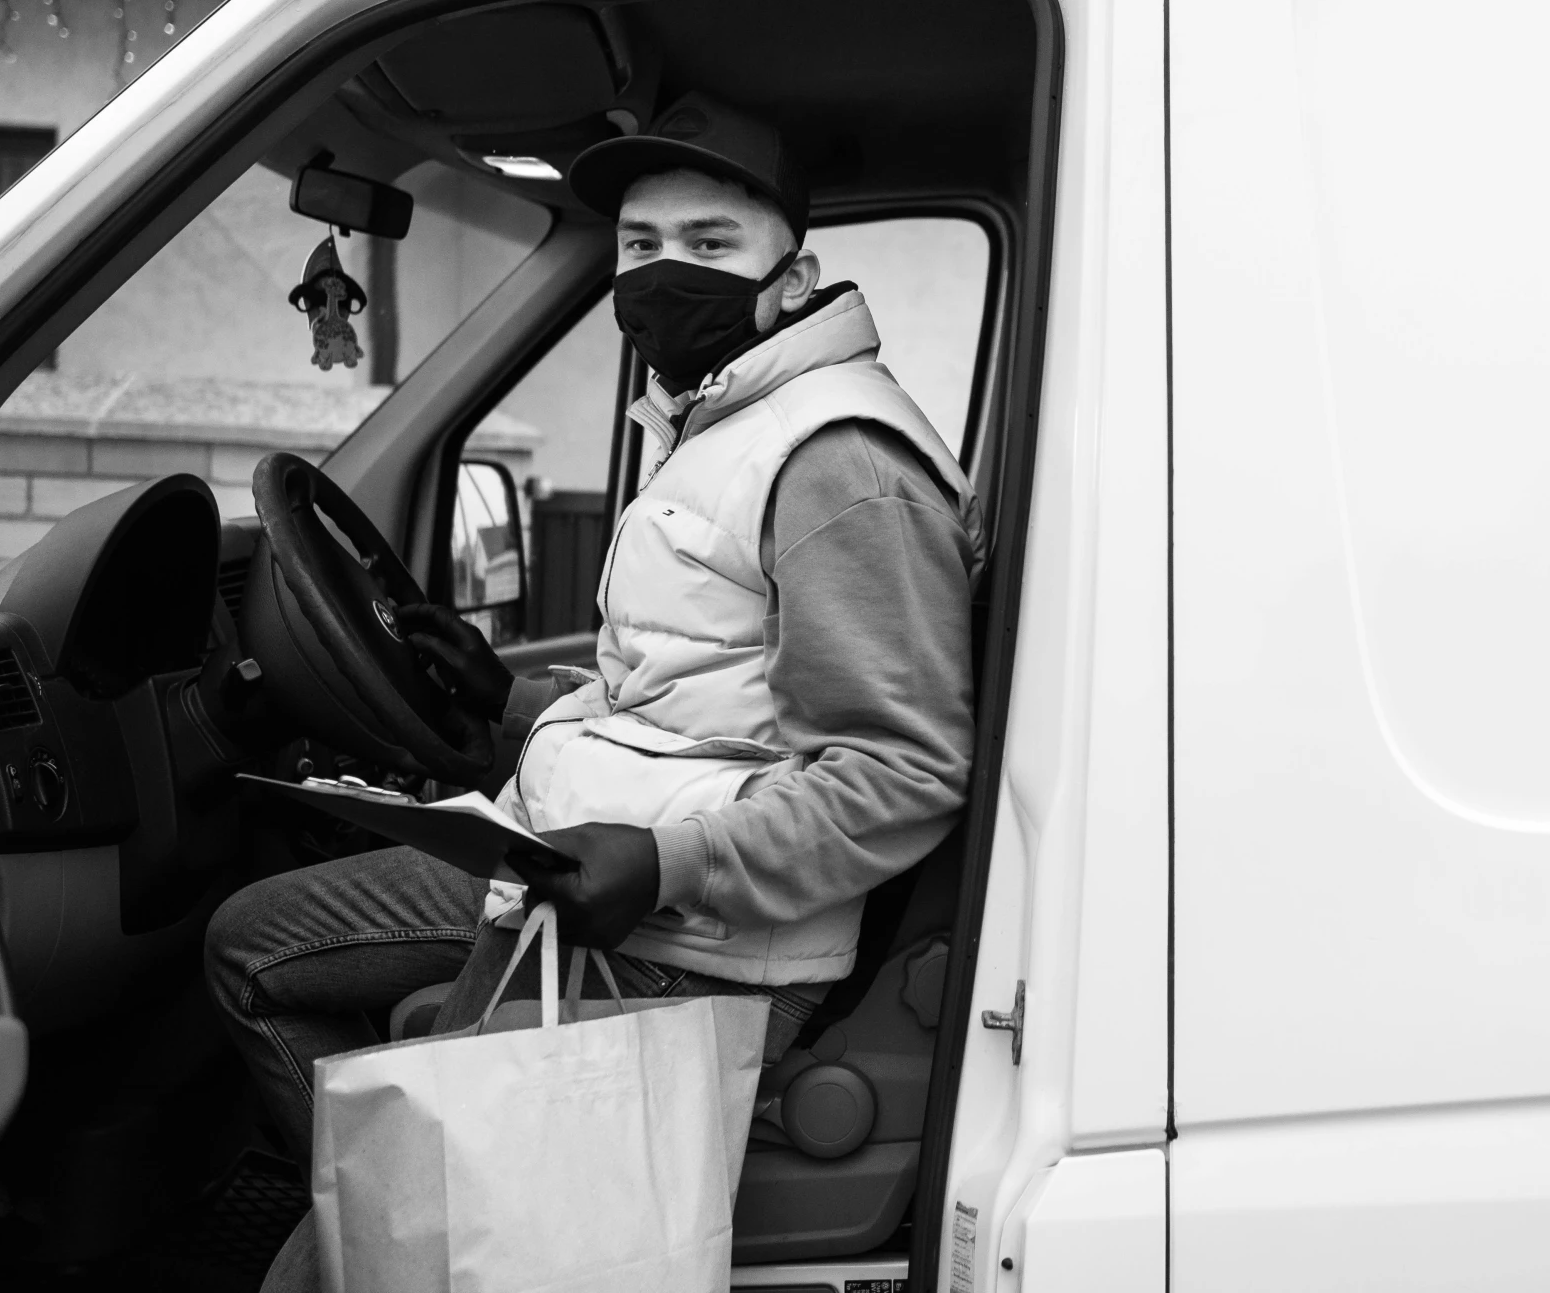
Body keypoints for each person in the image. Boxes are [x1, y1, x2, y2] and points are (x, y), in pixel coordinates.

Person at [207, 92, 979, 1286]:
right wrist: (507, 703)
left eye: (711, 246)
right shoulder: (722, 417)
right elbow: (693, 698)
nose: (665, 273)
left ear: (796, 273)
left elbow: (904, 772)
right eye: (639, 247)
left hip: (690, 941)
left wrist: (667, 865)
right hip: (577, 864)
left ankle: (407, 1199)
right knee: (252, 946)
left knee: (344, 1262)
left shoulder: (834, 462)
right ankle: (397, 1170)